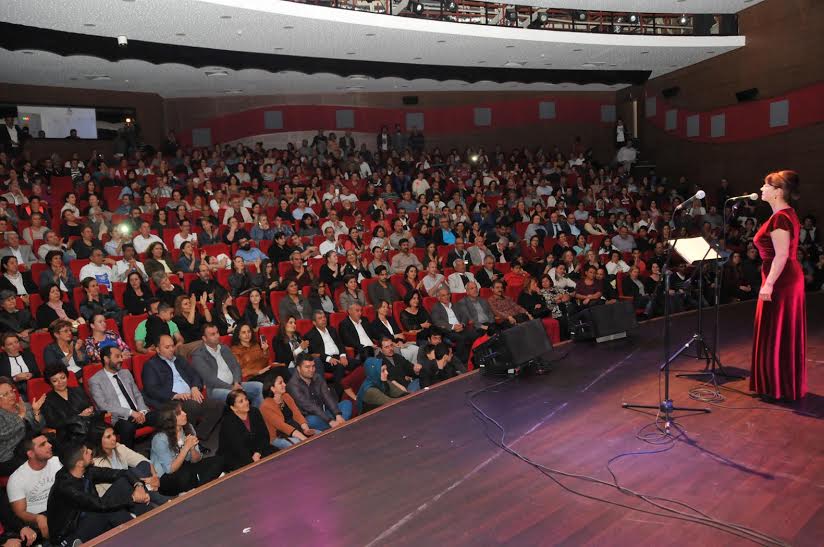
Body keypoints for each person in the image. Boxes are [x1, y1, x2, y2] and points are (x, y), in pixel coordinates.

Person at [751, 171, 807, 402]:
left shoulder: (780, 219)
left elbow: (781, 255)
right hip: (783, 277)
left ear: (778, 192)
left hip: (781, 280)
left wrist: (769, 284)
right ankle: (779, 384)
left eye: (766, 186)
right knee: (779, 331)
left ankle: (776, 386)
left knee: (776, 331)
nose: (761, 189)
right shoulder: (785, 214)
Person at [47, 442, 150, 545]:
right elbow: (100, 505)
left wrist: (138, 486)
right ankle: (140, 533)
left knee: (128, 478)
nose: (91, 451)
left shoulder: (86, 471)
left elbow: (121, 473)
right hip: (70, 534)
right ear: (79, 463)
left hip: (91, 517)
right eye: (86, 452)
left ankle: (139, 525)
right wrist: (132, 499)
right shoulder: (65, 488)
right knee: (109, 510)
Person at [141, 335, 224, 443]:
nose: (171, 349)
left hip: (191, 396)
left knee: (218, 405)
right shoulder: (151, 365)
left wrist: (194, 387)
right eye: (167, 347)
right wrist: (175, 395)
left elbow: (195, 375)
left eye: (172, 346)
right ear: (158, 349)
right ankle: (189, 441)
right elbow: (151, 389)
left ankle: (197, 438)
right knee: (193, 406)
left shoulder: (179, 359)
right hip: (171, 401)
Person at [88, 346, 158, 449]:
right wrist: (130, 413)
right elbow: (103, 406)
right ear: (106, 359)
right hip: (119, 418)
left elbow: (137, 394)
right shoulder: (95, 380)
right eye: (117, 356)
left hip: (139, 413)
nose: (121, 359)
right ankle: (128, 458)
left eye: (121, 356)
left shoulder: (125, 373)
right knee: (127, 427)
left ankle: (160, 449)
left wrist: (142, 411)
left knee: (164, 415)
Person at [149, 401, 224, 497]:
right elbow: (169, 469)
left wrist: (192, 449)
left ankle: (194, 488)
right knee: (186, 475)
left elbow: (196, 460)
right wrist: (186, 448)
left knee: (218, 460)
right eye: (179, 413)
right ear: (170, 419)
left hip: (186, 467)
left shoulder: (189, 427)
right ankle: (201, 483)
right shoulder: (160, 438)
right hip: (166, 477)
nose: (185, 414)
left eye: (183, 411)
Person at [190, 324, 264, 407]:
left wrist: (236, 382)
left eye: (217, 332)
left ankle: (255, 413)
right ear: (204, 338)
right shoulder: (199, 355)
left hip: (234, 384)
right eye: (213, 334)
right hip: (215, 389)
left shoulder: (224, 348)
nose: (217, 336)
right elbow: (210, 380)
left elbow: (235, 367)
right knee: (236, 396)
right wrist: (231, 387)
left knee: (259, 386)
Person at [91, 426, 167, 506]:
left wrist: (155, 477)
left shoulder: (119, 448)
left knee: (144, 465)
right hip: (116, 498)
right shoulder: (96, 463)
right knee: (129, 474)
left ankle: (149, 493)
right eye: (108, 437)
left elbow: (144, 461)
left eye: (113, 434)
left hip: (135, 485)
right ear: (98, 441)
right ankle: (155, 497)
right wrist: (139, 487)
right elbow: (116, 489)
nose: (114, 438)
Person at [8, 433, 59, 541]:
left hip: (60, 507)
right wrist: (37, 518)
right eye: (43, 444)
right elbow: (20, 512)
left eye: (48, 442)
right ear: (30, 454)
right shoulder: (16, 479)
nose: (50, 445)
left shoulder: (57, 462)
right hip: (37, 516)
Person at [286, 356, 352, 432]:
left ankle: (338, 426)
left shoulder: (317, 377)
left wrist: (338, 415)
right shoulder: (293, 385)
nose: (311, 370)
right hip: (311, 417)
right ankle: (340, 426)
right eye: (307, 367)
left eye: (313, 366)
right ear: (298, 368)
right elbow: (309, 406)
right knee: (311, 421)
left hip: (325, 414)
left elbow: (327, 397)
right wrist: (330, 421)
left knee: (347, 403)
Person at [218, 389, 275, 472]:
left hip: (255, 449)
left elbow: (264, 435)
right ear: (233, 408)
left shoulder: (255, 412)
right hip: (236, 455)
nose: (246, 402)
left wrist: (258, 452)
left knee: (276, 455)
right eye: (241, 401)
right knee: (255, 471)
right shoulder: (228, 422)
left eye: (246, 399)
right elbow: (238, 448)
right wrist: (253, 461)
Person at [40, 364, 101, 439]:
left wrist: (90, 410)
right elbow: (54, 423)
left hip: (89, 426)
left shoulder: (78, 390)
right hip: (68, 435)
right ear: (50, 383)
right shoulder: (47, 400)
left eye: (63, 378)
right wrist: (79, 416)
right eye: (55, 381)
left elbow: (91, 407)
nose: (60, 382)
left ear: (67, 376)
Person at [259, 373, 314, 450]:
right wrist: (303, 438)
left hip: (295, 429)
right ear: (272, 388)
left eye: (284, 382)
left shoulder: (286, 396)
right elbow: (282, 426)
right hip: (278, 436)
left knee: (317, 434)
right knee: (299, 443)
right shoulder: (265, 406)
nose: (284, 384)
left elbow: (297, 414)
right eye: (280, 383)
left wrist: (306, 429)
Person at [0, 334, 40, 400]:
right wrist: (15, 378)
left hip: (32, 386)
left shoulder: (28, 355)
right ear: (3, 347)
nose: (15, 345)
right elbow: (1, 380)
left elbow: (38, 373)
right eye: (10, 344)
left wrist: (31, 374)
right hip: (13, 389)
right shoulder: (1, 360)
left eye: (16, 342)